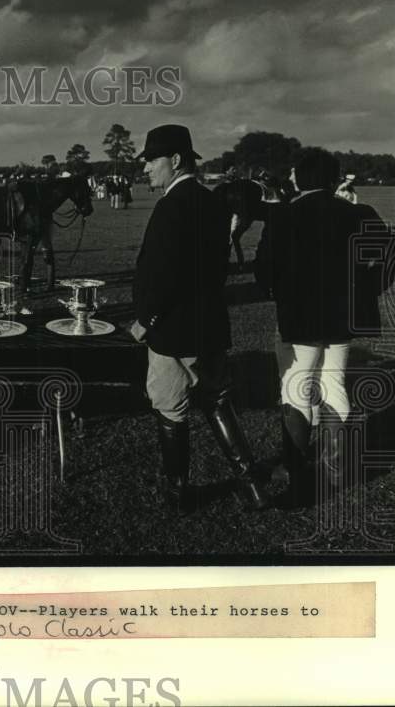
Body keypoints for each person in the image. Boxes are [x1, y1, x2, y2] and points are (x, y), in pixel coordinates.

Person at [131, 124, 268, 513]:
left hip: (171, 331)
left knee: (171, 409)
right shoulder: (214, 203)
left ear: (174, 161)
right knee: (217, 402)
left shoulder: (170, 206)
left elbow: (163, 274)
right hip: (210, 325)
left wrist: (147, 319)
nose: (146, 169)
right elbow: (216, 269)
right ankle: (253, 486)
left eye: (151, 161)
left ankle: (178, 494)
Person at [255, 149, 388, 506]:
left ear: (298, 177)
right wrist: (366, 290)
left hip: (299, 317)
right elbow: (388, 258)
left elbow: (262, 273)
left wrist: (278, 290)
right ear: (334, 179)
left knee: (296, 390)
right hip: (343, 317)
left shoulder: (282, 215)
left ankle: (297, 473)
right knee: (334, 385)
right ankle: (333, 471)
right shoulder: (360, 213)